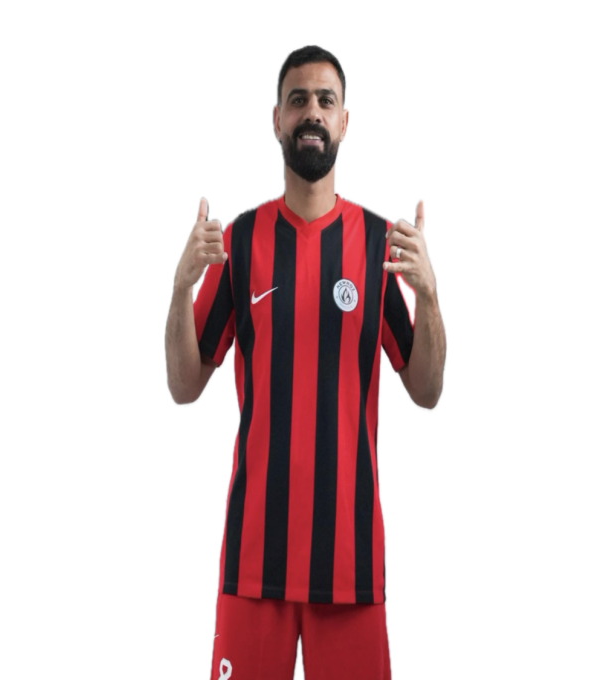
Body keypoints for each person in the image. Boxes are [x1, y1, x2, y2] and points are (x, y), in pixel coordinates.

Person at [164, 44, 446, 680]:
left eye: (325, 100)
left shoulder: (379, 245)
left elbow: (427, 389)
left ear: (345, 120)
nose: (311, 112)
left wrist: (428, 296)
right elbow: (184, 385)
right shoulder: (238, 242)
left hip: (349, 561)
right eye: (298, 101)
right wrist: (180, 288)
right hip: (254, 557)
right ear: (276, 120)